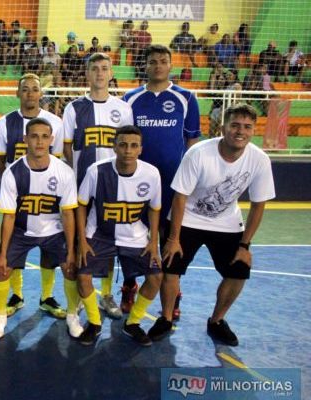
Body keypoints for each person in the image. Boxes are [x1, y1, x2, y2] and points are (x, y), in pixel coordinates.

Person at [150, 104, 275, 345]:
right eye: (235, 125)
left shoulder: (259, 159)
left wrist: (245, 246)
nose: (240, 131)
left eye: (247, 127)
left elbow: (259, 205)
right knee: (171, 267)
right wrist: (174, 239)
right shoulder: (198, 153)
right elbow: (180, 197)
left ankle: (217, 320)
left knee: (239, 271)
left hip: (227, 223)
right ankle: (166, 318)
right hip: (187, 218)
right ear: (222, 127)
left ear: (253, 131)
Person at [123, 44, 201, 318]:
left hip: (172, 186)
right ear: (144, 65)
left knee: (170, 241)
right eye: (152, 61)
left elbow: (192, 143)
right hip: (137, 185)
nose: (158, 65)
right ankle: (130, 284)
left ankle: (173, 292)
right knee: (135, 238)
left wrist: (189, 182)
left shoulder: (186, 98)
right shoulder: (130, 98)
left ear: (171, 65)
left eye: (163, 61)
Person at [0, 118, 80, 339]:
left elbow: (68, 214)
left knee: (71, 268)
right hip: (21, 231)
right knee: (1, 270)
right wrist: (2, 253)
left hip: (54, 231)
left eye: (44, 136)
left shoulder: (65, 172)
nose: (39, 142)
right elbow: (9, 216)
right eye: (34, 136)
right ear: (25, 140)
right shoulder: (12, 172)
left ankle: (72, 315)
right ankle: (1, 316)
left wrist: (71, 251)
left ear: (51, 140)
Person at [76, 125, 163, 346]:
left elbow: (154, 208)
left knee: (156, 277)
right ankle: (94, 324)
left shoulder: (151, 173)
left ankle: (132, 323)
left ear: (140, 149)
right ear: (114, 147)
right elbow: (81, 206)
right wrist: (82, 241)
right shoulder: (96, 171)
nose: (128, 150)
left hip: (135, 237)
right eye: (123, 144)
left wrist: (154, 241)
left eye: (134, 146)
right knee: (83, 275)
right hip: (99, 235)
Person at [62, 52, 134, 320]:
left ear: (111, 72)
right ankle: (83, 294)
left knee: (109, 238)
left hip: (116, 186)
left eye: (105, 68)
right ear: (87, 73)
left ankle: (106, 294)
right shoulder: (74, 108)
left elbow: (129, 143)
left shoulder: (123, 108)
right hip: (84, 185)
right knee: (83, 240)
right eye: (95, 69)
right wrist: (80, 172)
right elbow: (67, 146)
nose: (100, 73)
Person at [0, 74, 65, 318]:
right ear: (18, 93)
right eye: (25, 89)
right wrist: (13, 186)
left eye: (35, 89)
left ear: (40, 94)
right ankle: (17, 295)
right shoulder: (4, 123)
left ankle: (47, 296)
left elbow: (56, 159)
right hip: (18, 195)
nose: (31, 94)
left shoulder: (55, 122)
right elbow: (0, 159)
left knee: (49, 249)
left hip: (48, 197)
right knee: (15, 249)